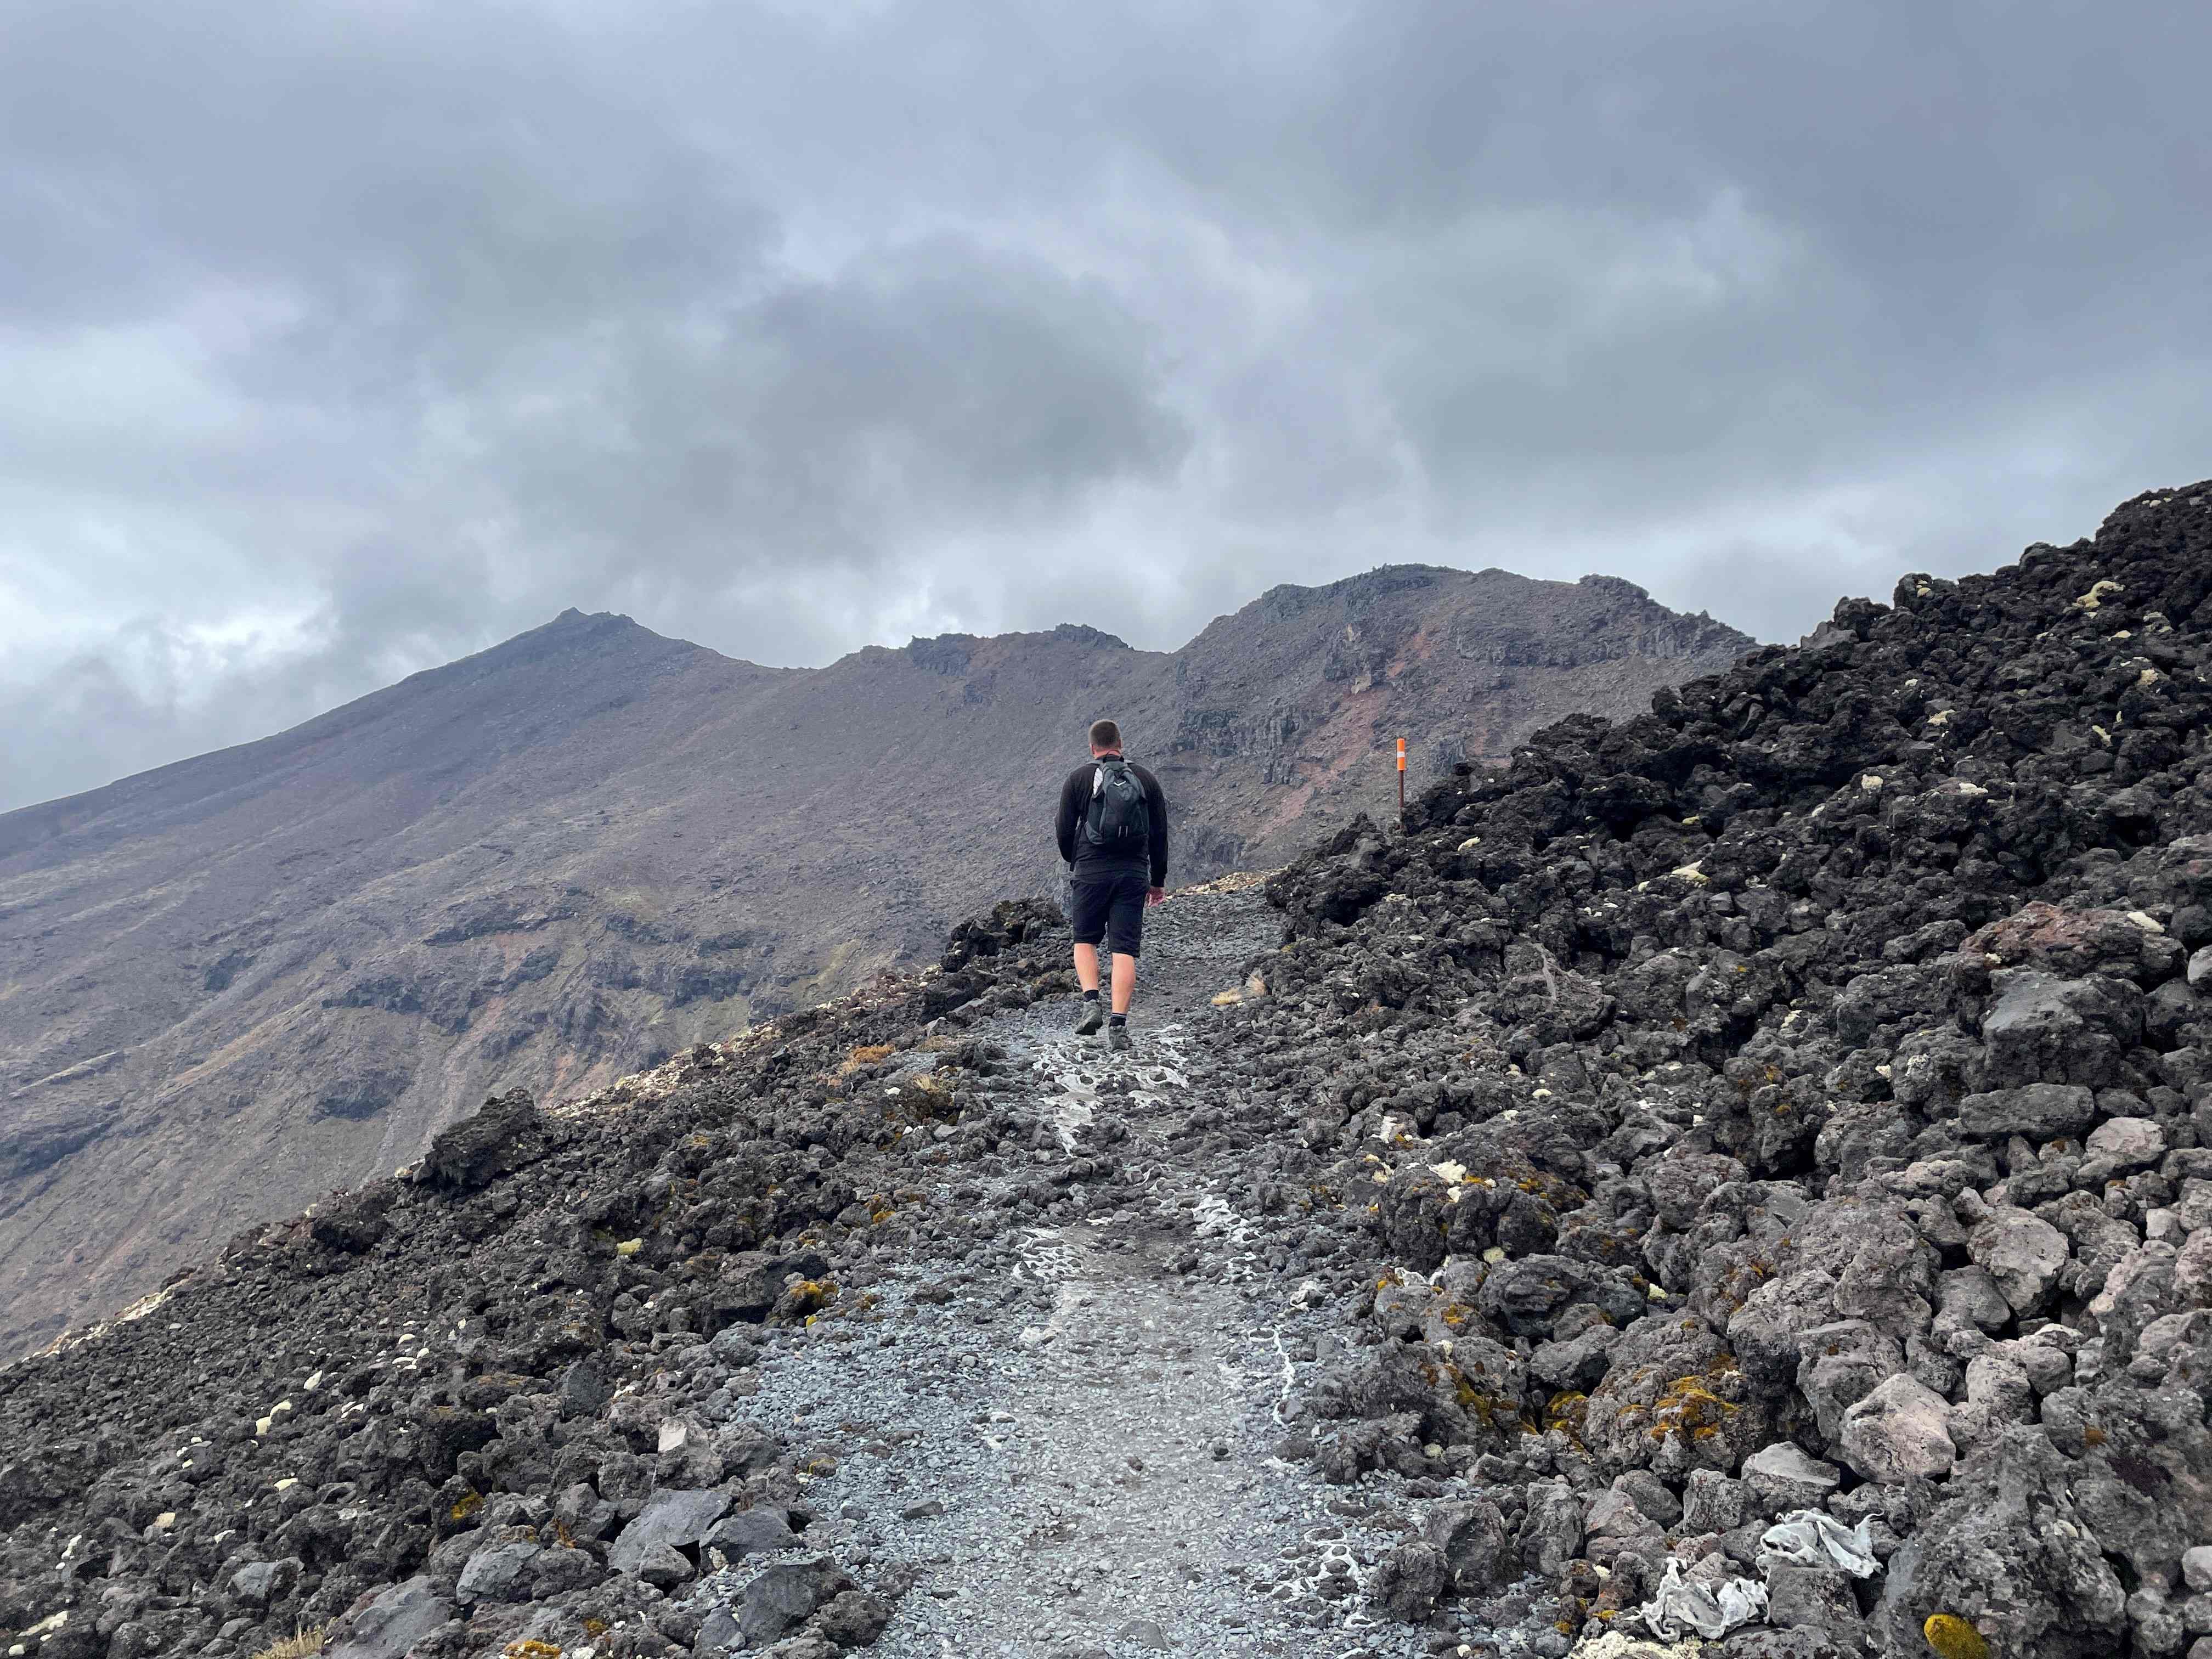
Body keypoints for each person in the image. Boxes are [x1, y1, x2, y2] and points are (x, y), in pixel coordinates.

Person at [1054, 718, 1168, 1049]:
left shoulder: (1078, 778)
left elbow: (1064, 828)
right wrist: (1156, 881)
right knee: (1124, 950)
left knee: (1085, 941)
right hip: (1133, 873)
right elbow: (1159, 834)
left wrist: (1074, 860)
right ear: (1121, 743)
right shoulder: (1145, 779)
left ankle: (1092, 1003)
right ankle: (1119, 1027)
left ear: (1093, 748)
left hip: (1090, 872)